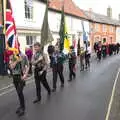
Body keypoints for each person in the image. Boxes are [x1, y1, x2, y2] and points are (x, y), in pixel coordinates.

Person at [9, 52, 29, 116]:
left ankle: (23, 108)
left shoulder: (23, 56)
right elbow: (12, 67)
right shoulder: (12, 57)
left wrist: (25, 74)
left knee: (20, 92)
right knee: (18, 93)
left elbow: (28, 66)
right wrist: (17, 60)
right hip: (15, 77)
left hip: (21, 76)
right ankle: (21, 106)